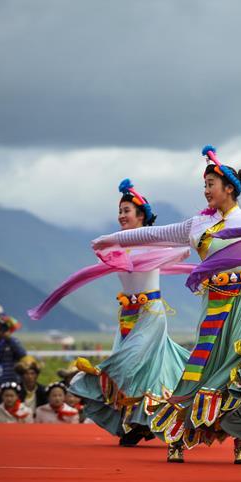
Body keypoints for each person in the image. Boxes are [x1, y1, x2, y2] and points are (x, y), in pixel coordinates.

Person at [91, 148, 241, 463]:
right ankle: (178, 435)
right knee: (202, 367)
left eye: (210, 184)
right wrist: (110, 239)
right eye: (204, 185)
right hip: (214, 304)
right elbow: (155, 233)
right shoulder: (197, 225)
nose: (205, 191)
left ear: (229, 188)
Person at [65, 180, 189, 446]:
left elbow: (183, 251)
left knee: (127, 363)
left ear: (141, 215)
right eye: (120, 211)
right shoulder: (115, 246)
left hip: (150, 312)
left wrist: (167, 254)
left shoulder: (154, 241)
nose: (121, 216)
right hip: (127, 313)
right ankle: (141, 424)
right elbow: (99, 251)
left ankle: (93, 379)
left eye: (126, 211)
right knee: (148, 370)